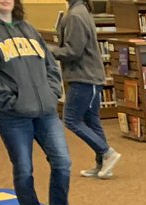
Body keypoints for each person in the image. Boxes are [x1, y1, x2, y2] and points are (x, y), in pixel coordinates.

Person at [0, 0, 76, 205]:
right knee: (24, 168)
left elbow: (49, 64)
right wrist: (10, 102)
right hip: (12, 116)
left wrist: (52, 93)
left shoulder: (28, 28)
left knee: (62, 162)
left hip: (45, 110)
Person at [49, 0, 121, 180]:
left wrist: (48, 50)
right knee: (91, 120)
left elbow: (73, 51)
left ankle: (106, 152)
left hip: (84, 77)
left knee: (71, 119)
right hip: (90, 76)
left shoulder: (75, 15)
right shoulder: (80, 10)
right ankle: (102, 163)